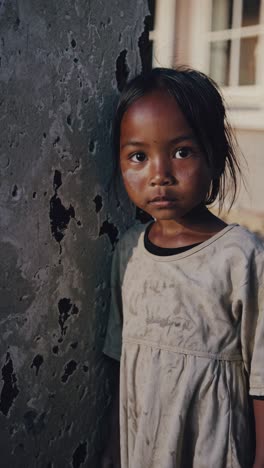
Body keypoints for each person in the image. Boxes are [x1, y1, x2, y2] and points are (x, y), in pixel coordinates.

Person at [101, 67, 264, 468]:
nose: (160, 175)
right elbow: (120, 361)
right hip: (143, 448)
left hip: (211, 449)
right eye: (138, 156)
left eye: (181, 152)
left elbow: (261, 380)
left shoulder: (240, 257)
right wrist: (112, 448)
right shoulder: (128, 251)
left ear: (215, 156)